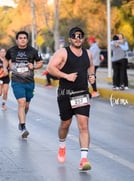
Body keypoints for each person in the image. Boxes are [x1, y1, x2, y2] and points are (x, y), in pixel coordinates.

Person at [47, 26, 95, 171]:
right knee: (65, 124)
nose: (77, 38)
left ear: (83, 39)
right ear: (70, 39)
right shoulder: (63, 52)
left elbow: (91, 66)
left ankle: (84, 159)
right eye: (74, 36)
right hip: (65, 94)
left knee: (84, 125)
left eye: (80, 36)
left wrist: (92, 76)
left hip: (81, 93)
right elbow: (50, 68)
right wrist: (66, 76)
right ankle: (62, 146)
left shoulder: (88, 53)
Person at [5, 31, 43, 139]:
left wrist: (34, 66)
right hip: (17, 81)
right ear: (17, 40)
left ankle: (22, 120)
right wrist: (5, 68)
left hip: (29, 82)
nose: (22, 39)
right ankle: (23, 127)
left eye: (24, 38)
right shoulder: (11, 51)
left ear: (27, 39)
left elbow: (40, 62)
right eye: (20, 38)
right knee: (21, 102)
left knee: (26, 105)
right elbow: (6, 60)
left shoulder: (33, 51)